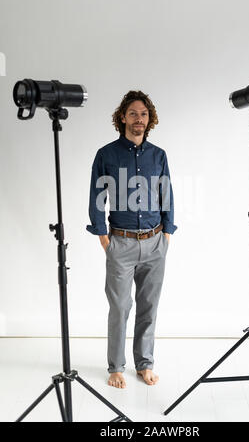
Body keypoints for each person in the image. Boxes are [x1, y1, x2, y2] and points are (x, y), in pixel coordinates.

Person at [86, 90, 177, 389]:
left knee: (149, 307)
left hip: (155, 242)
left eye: (144, 114)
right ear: (122, 117)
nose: (139, 119)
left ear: (150, 120)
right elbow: (97, 196)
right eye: (134, 113)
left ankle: (145, 364)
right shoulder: (106, 154)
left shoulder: (159, 155)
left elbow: (167, 195)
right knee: (120, 308)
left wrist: (166, 232)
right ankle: (116, 366)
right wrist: (102, 235)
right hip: (120, 243)